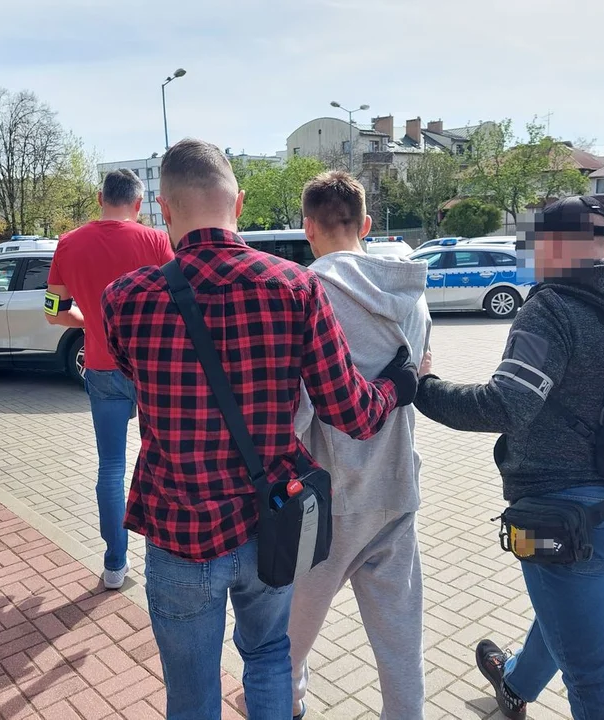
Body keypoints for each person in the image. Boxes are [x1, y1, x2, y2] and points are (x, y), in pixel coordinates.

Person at [100, 138, 419, 720]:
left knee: (190, 689)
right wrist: (399, 385)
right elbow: (351, 413)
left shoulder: (126, 299)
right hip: (268, 522)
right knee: (271, 655)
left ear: (163, 210)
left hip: (179, 529)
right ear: (240, 203)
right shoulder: (297, 288)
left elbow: (127, 371)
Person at [413, 195, 604, 719]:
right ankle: (515, 683)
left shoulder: (551, 308)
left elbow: (505, 405)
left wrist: (425, 387)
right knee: (569, 609)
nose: (529, 256)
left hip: (563, 527)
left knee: (595, 676)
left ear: (554, 246)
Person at [289, 171, 432, 720]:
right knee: (401, 639)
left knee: (289, 636)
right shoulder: (412, 295)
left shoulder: (308, 293)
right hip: (396, 487)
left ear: (309, 228)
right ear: (366, 224)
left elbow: (300, 409)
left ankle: (286, 702)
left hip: (327, 500)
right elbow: (418, 376)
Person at [45, 168, 174, 590]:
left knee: (111, 467)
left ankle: (115, 564)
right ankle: (163, 558)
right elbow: (179, 300)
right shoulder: (155, 241)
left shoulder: (68, 243)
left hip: (102, 367)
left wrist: (90, 321)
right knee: (161, 461)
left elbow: (53, 312)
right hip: (152, 369)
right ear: (138, 203)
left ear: (100, 198)